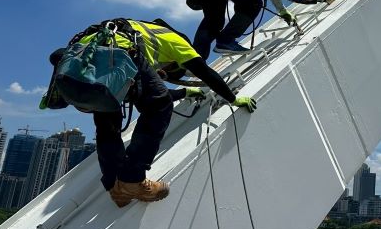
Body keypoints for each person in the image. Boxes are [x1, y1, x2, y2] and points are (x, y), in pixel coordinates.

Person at [45, 18, 257, 208]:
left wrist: (184, 92)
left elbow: (143, 94)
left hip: (89, 60)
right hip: (122, 51)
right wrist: (233, 99)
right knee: (160, 103)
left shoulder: (144, 32)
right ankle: (132, 179)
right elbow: (204, 73)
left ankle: (115, 187)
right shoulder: (177, 42)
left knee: (107, 121)